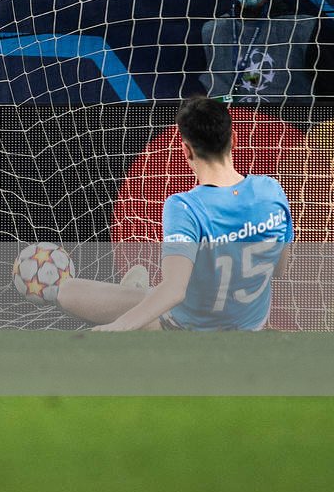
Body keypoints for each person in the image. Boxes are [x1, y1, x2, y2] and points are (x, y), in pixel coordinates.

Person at [59, 96, 293, 332]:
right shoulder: (272, 190)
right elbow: (279, 268)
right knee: (170, 286)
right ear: (233, 139)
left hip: (187, 330)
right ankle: (140, 293)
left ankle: (139, 303)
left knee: (68, 292)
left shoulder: (185, 206)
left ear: (186, 150)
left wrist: (118, 327)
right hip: (252, 326)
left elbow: (174, 291)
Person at [198, 0, 331, 104]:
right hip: (227, 126)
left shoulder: (304, 28)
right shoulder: (212, 31)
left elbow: (327, 91)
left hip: (290, 126)